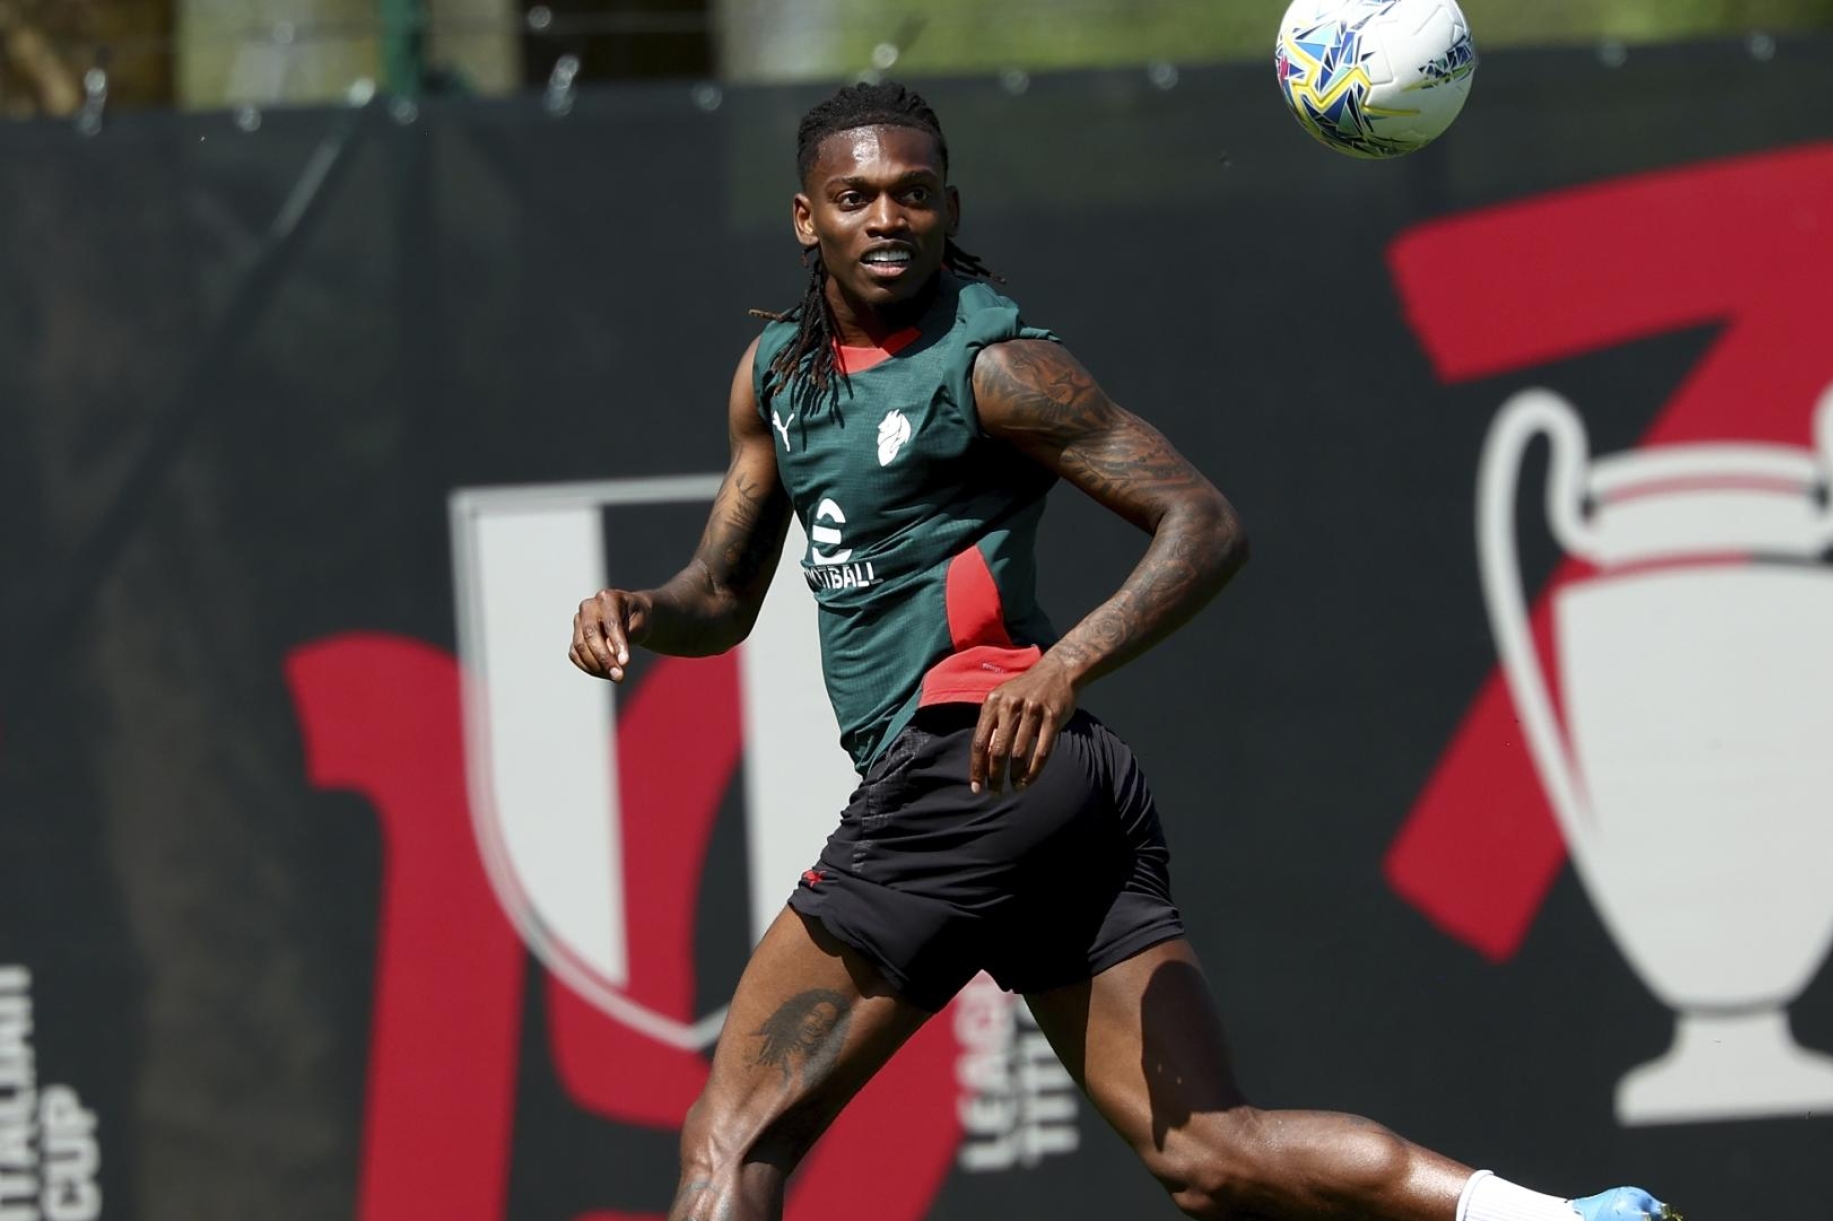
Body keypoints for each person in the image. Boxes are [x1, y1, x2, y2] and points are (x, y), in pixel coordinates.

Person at [568, 81, 1674, 1221]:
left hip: (970, 764)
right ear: (808, 218)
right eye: (855, 198)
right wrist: (643, 608)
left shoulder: (994, 364)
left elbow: (1205, 522)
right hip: (1048, 798)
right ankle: (1554, 1220)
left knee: (733, 1137)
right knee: (1211, 1157)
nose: (886, 218)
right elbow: (722, 593)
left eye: (912, 194)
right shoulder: (777, 380)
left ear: (951, 206)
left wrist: (1066, 663)